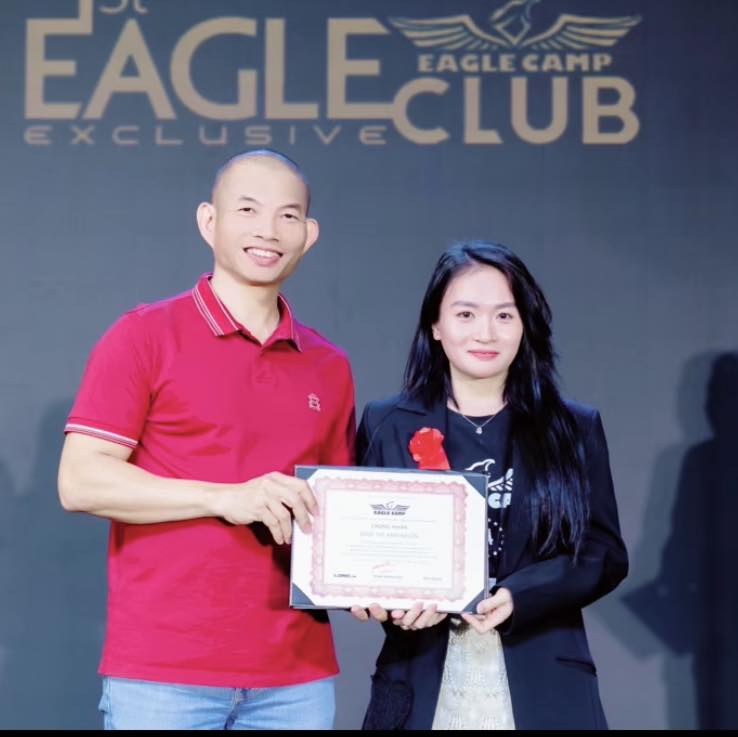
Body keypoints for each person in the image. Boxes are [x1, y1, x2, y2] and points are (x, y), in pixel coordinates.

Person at [57, 149, 355, 730]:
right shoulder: (144, 335)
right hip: (165, 674)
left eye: (288, 216)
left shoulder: (328, 365)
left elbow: (336, 516)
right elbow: (80, 480)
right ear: (208, 221)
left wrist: (386, 584)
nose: (268, 231)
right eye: (248, 210)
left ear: (309, 234)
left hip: (296, 677)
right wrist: (225, 497)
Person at [352, 241, 628, 730]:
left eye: (504, 315)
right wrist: (380, 599)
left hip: (545, 680)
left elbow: (603, 553)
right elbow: (361, 546)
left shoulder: (572, 427)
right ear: (435, 325)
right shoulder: (387, 422)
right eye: (466, 314)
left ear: (525, 325)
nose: (486, 332)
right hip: (421, 678)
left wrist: (522, 594)